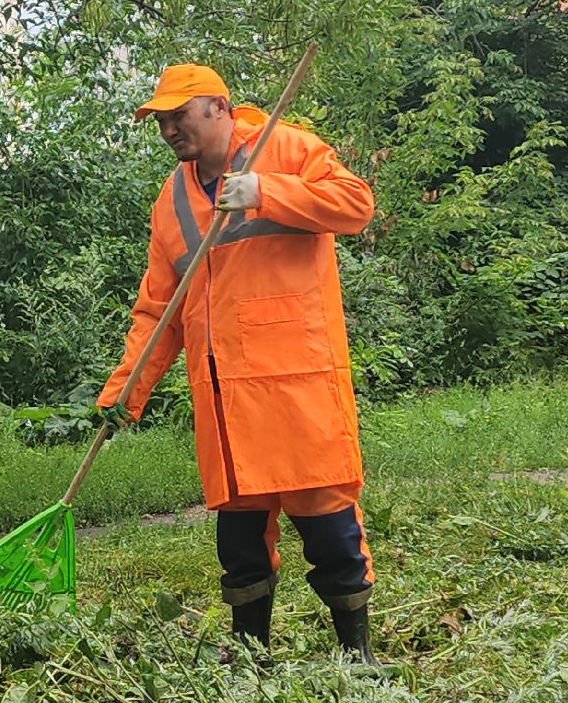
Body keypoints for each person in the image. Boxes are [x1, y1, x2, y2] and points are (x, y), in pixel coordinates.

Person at [95, 64, 380, 662]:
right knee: (241, 540)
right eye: (162, 120)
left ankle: (357, 656)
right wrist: (125, 393)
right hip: (224, 396)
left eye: (181, 115)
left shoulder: (288, 148)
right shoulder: (170, 202)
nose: (170, 128)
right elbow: (158, 310)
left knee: (329, 526)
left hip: (298, 384)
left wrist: (268, 191)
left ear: (220, 107)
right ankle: (250, 657)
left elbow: (356, 206)